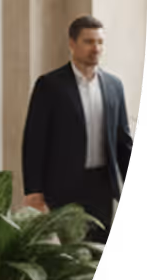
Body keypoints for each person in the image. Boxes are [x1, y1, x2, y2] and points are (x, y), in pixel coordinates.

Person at [21, 16, 134, 242]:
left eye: (100, 42)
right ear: (72, 44)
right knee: (70, 255)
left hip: (102, 185)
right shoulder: (50, 85)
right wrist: (33, 191)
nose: (96, 48)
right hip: (63, 186)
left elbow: (123, 142)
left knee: (98, 250)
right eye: (89, 42)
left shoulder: (114, 86)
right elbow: (34, 141)